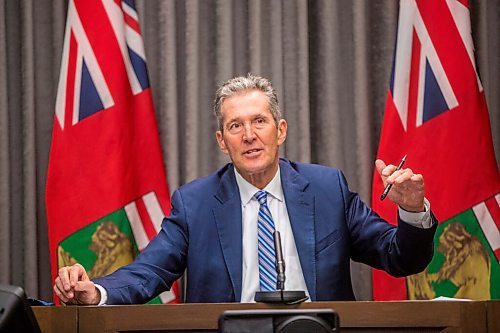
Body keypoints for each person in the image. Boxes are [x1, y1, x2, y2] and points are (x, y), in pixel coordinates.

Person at [54, 74, 437, 305]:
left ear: (281, 130)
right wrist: (97, 292)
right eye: (236, 126)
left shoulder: (326, 189)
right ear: (222, 140)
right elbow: (147, 273)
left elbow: (401, 258)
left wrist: (412, 211)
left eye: (259, 121)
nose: (250, 135)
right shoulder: (195, 203)